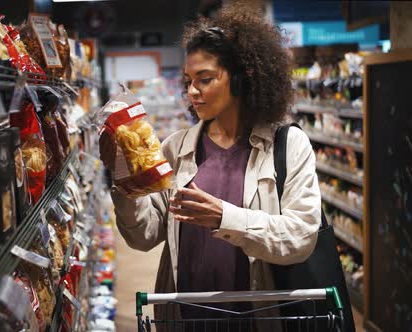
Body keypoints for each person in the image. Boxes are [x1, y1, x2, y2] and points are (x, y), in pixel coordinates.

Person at [100, 4, 322, 332]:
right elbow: (144, 235)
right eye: (189, 80)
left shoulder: (287, 147)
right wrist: (124, 176)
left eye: (205, 79)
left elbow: (301, 237)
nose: (192, 91)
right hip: (185, 318)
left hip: (256, 319)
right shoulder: (176, 148)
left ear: (242, 77)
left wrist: (225, 218)